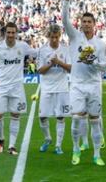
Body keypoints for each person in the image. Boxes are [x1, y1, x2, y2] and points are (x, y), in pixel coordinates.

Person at [62, 0, 106, 166]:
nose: (87, 24)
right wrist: (66, 1)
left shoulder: (100, 44)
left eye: (90, 21)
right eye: (84, 21)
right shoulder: (74, 37)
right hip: (77, 84)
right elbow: (65, 21)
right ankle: (75, 148)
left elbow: (104, 66)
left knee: (95, 120)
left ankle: (97, 154)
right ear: (80, 24)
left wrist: (93, 62)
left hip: (94, 85)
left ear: (94, 24)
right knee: (76, 118)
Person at [0, 22, 37, 155]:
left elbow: (36, 53)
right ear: (5, 33)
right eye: (8, 32)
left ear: (16, 33)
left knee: (15, 114)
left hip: (17, 87)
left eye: (13, 32)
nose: (11, 35)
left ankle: (12, 146)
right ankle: (1, 138)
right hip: (1, 87)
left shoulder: (22, 46)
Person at [37, 24, 71, 155]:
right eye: (52, 37)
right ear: (48, 37)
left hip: (62, 88)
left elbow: (71, 68)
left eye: (57, 37)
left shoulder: (66, 49)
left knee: (60, 117)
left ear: (60, 36)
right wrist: (51, 63)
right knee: (42, 117)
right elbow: (40, 70)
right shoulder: (42, 50)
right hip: (47, 88)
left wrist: (59, 62)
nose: (55, 40)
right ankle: (47, 139)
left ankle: (58, 145)